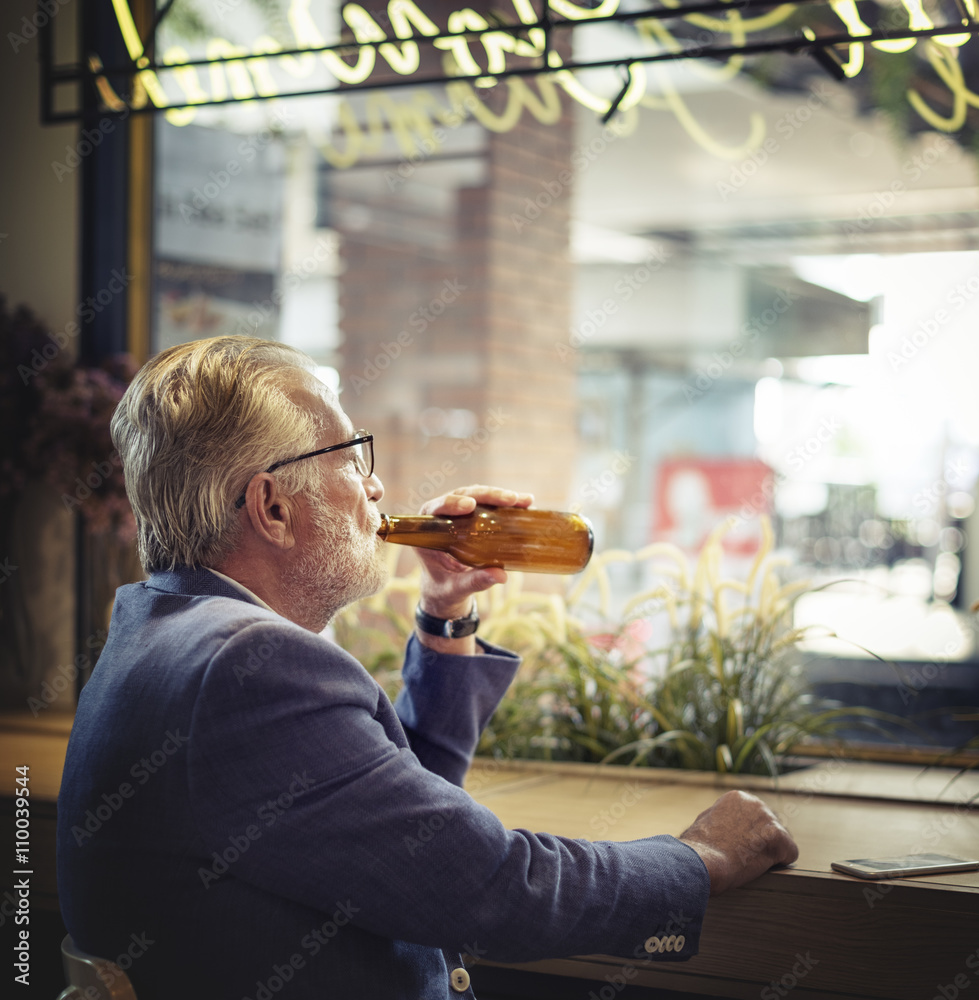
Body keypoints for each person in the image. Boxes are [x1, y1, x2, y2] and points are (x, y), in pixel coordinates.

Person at [57, 336, 797, 1000]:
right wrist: (701, 858)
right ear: (272, 508)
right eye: (351, 460)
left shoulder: (157, 629)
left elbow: (405, 839)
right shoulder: (248, 666)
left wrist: (446, 613)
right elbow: (496, 889)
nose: (376, 488)